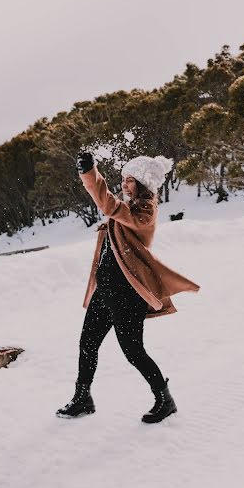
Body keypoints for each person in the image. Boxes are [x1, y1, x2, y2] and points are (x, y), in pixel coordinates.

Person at [56, 152, 199, 423]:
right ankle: (82, 398)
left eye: (130, 180)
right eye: (123, 178)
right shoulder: (129, 207)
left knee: (133, 352)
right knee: (87, 343)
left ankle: (165, 399)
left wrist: (90, 174)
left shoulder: (145, 212)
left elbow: (109, 206)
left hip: (127, 292)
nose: (124, 184)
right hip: (106, 288)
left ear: (144, 183)